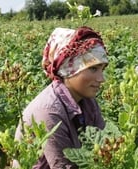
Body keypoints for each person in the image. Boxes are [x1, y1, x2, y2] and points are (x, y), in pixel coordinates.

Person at [13, 26, 108, 169]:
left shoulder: (88, 102)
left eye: (102, 69)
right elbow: (63, 166)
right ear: (69, 69)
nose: (101, 78)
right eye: (93, 68)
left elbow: (105, 146)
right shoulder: (49, 111)